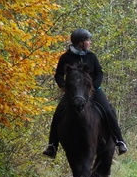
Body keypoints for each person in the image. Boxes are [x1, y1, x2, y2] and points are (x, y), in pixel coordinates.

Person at [43, 28, 128, 158]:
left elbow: (99, 72)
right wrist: (64, 86)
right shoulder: (66, 57)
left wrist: (94, 86)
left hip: (93, 91)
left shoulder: (91, 56)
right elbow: (58, 74)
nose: (90, 43)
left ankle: (119, 140)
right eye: (88, 40)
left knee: (108, 111)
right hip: (74, 93)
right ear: (80, 42)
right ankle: (52, 146)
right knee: (58, 113)